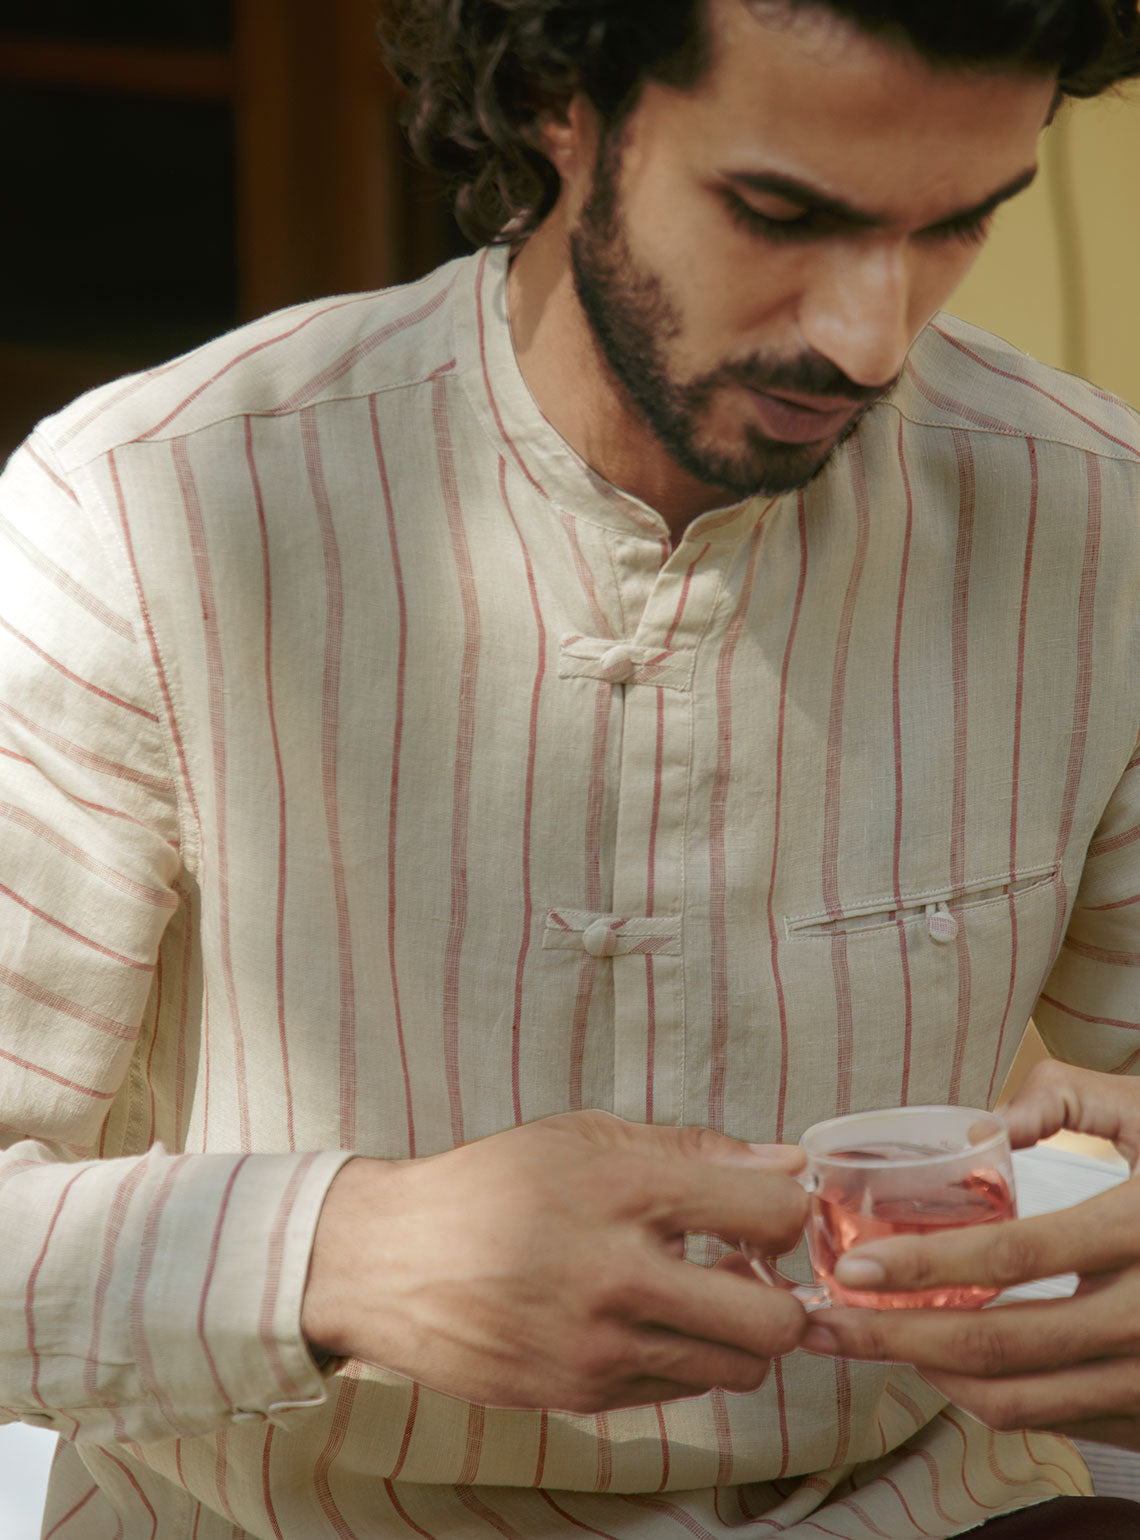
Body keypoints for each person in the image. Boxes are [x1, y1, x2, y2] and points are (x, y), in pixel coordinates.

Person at [1, 0, 1139, 1535]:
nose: (873, 334)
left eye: (959, 226)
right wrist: (347, 1251)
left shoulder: (1095, 527)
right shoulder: (137, 520)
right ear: (556, 98)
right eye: (782, 212)